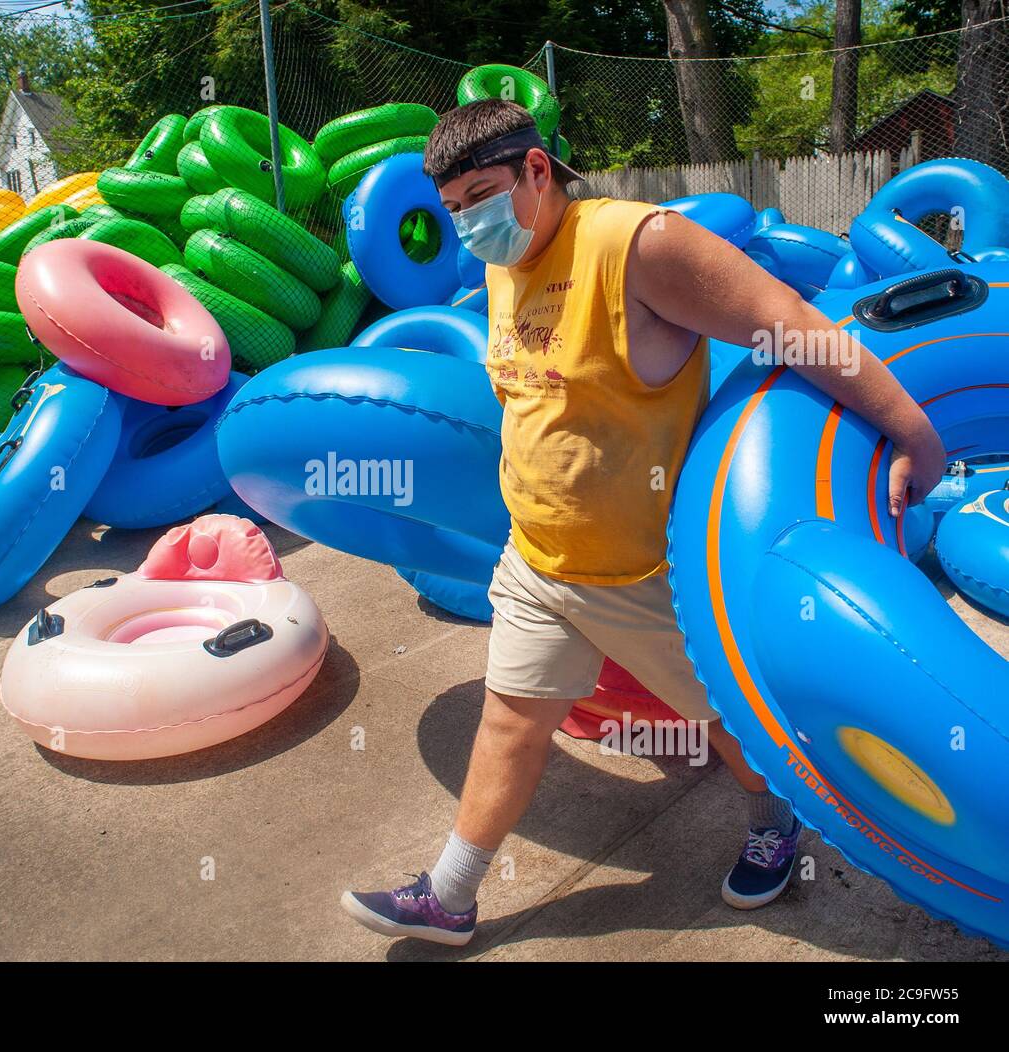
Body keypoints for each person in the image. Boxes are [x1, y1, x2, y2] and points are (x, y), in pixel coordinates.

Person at [341, 99, 946, 946]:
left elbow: (796, 329)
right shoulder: (504, 261)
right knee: (511, 718)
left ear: (538, 170)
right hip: (539, 560)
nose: (470, 224)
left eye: (481, 195)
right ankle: (451, 894)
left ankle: (776, 824)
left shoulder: (639, 246)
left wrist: (913, 430)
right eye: (454, 210)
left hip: (645, 572)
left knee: (726, 721)